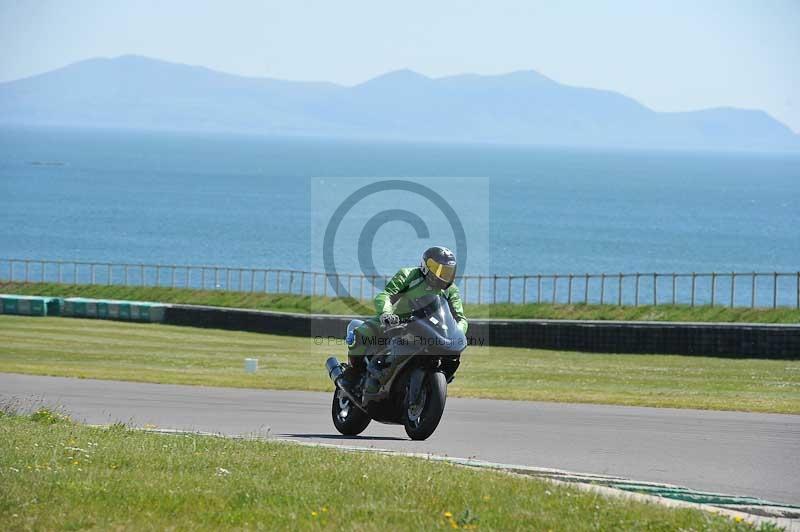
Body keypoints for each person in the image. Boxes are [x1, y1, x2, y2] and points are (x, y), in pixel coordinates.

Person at [341, 246, 468, 399]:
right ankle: (352, 376)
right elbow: (386, 296)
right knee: (361, 333)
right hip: (397, 321)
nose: (444, 276)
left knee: (450, 356)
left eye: (448, 271)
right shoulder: (409, 275)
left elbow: (460, 319)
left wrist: (458, 333)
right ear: (426, 266)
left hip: (430, 329)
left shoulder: (450, 290)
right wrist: (387, 314)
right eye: (439, 270)